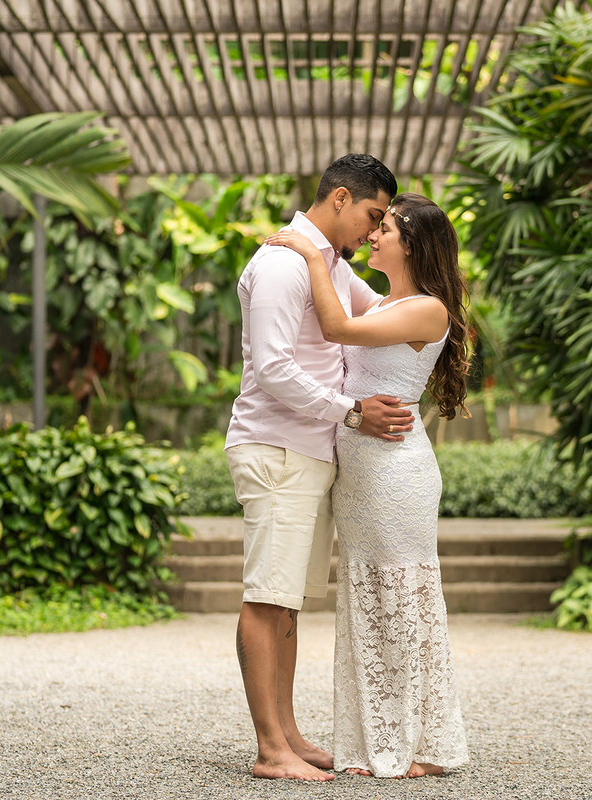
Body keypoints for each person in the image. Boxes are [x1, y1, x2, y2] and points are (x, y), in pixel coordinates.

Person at [263, 192, 472, 779]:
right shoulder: (386, 300)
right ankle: (377, 740)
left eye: (387, 228)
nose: (373, 234)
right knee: (370, 601)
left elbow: (337, 325)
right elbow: (341, 277)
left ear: (414, 244)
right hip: (360, 473)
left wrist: (310, 254)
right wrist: (321, 246)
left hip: (394, 473)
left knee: (400, 600)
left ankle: (417, 745)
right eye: (374, 224)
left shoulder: (428, 310)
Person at [224, 154, 414, 782]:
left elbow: (379, 313)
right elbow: (274, 369)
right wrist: (352, 411)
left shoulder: (327, 262)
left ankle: (289, 734)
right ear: (340, 199)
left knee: (289, 603)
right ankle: (269, 750)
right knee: (266, 597)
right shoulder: (284, 262)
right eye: (373, 215)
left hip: (309, 451)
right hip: (277, 447)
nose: (374, 229)